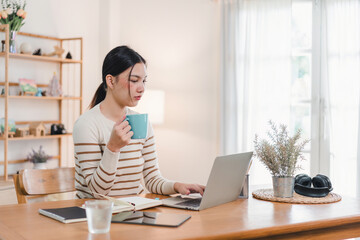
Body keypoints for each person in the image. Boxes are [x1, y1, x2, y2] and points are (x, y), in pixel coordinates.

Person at [73, 46, 205, 199]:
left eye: (143, 81)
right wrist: (113, 148)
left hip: (135, 212)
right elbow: (98, 192)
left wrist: (177, 186)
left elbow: (152, 180)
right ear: (110, 80)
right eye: (134, 80)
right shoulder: (86, 125)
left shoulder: (142, 122)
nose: (142, 88)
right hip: (98, 215)